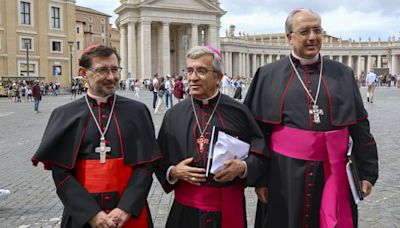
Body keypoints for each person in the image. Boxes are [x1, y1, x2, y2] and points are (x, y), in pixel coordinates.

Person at [244, 9, 378, 228]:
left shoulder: (342, 73)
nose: (312, 36)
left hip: (333, 171)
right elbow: (257, 132)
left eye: (317, 30)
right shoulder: (267, 75)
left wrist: (367, 172)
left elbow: (360, 126)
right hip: (283, 175)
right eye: (304, 31)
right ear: (289, 37)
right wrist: (260, 179)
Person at [31, 45, 161, 228]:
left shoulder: (137, 111)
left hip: (130, 214)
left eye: (115, 69)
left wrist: (126, 207)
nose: (111, 76)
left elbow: (147, 165)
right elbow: (61, 172)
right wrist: (91, 213)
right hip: (82, 217)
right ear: (83, 73)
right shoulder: (65, 114)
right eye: (102, 70)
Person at [155, 45, 268, 228]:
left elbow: (261, 154)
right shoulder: (173, 115)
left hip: (228, 206)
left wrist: (244, 167)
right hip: (186, 209)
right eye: (189, 71)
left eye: (201, 71)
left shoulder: (239, 112)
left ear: (218, 77)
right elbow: (159, 159)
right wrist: (174, 172)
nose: (192, 77)